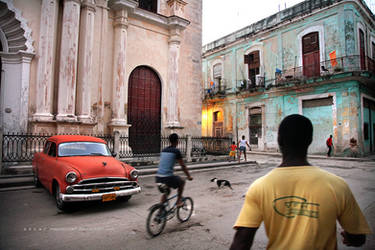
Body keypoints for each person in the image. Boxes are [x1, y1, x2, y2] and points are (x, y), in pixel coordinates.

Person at [230, 114, 371, 250]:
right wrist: (349, 237)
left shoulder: (259, 187)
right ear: (309, 140)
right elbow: (358, 238)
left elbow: (241, 243)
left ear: (279, 141)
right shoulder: (338, 185)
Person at [155, 133, 193, 207]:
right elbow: (183, 166)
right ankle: (178, 201)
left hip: (158, 177)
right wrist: (189, 176)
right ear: (177, 141)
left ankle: (160, 211)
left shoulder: (164, 150)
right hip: (167, 177)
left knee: (167, 192)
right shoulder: (176, 151)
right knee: (182, 182)